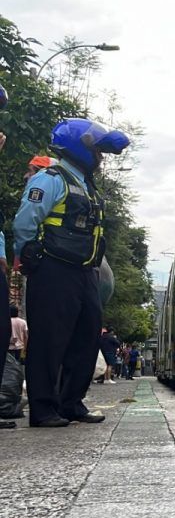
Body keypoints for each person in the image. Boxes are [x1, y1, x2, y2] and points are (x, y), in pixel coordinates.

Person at [13, 118, 129, 427]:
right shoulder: (51, 179)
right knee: (49, 340)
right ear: (82, 148)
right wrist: (28, 254)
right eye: (99, 152)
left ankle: (71, 403)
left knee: (85, 338)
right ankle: (43, 408)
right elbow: (25, 222)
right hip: (53, 269)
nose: (101, 158)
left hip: (84, 272)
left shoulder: (85, 185)